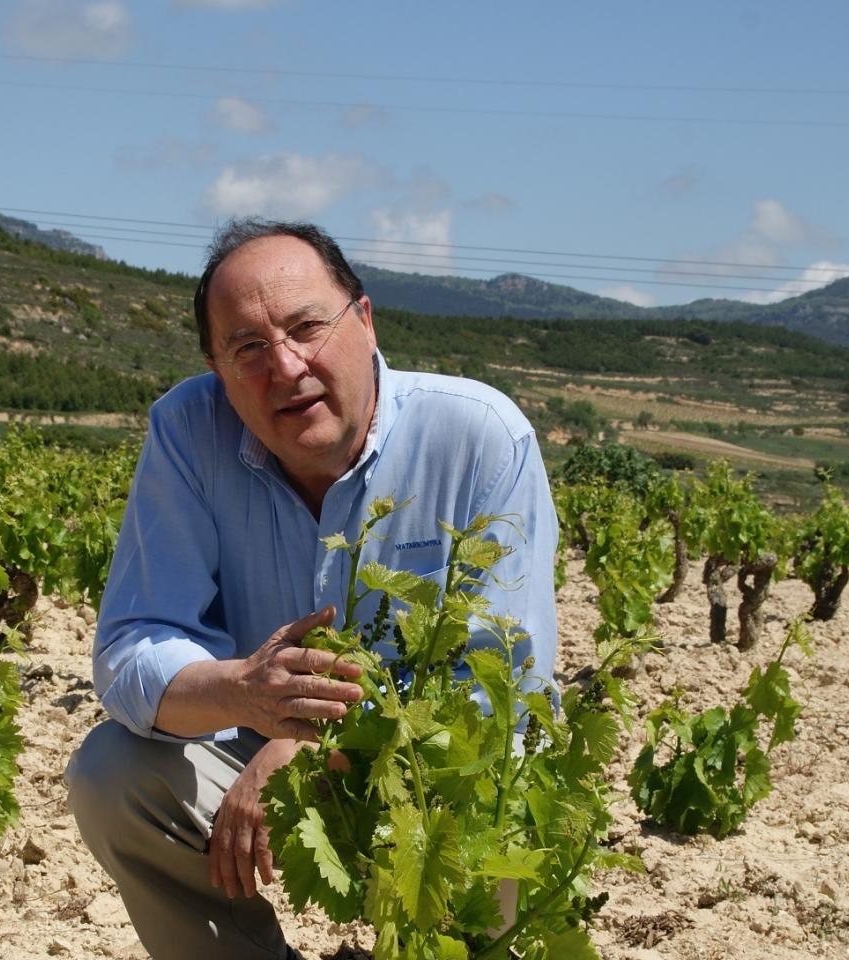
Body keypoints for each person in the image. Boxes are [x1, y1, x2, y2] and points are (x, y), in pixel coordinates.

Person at [65, 219, 557, 959]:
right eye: (249, 349)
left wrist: (304, 742)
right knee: (113, 774)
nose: (286, 367)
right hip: (252, 774)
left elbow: (502, 693)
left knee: (501, 793)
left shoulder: (481, 438)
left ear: (364, 321)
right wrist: (243, 692)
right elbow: (133, 646)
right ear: (216, 370)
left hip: (435, 776)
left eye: (307, 327)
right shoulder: (187, 430)